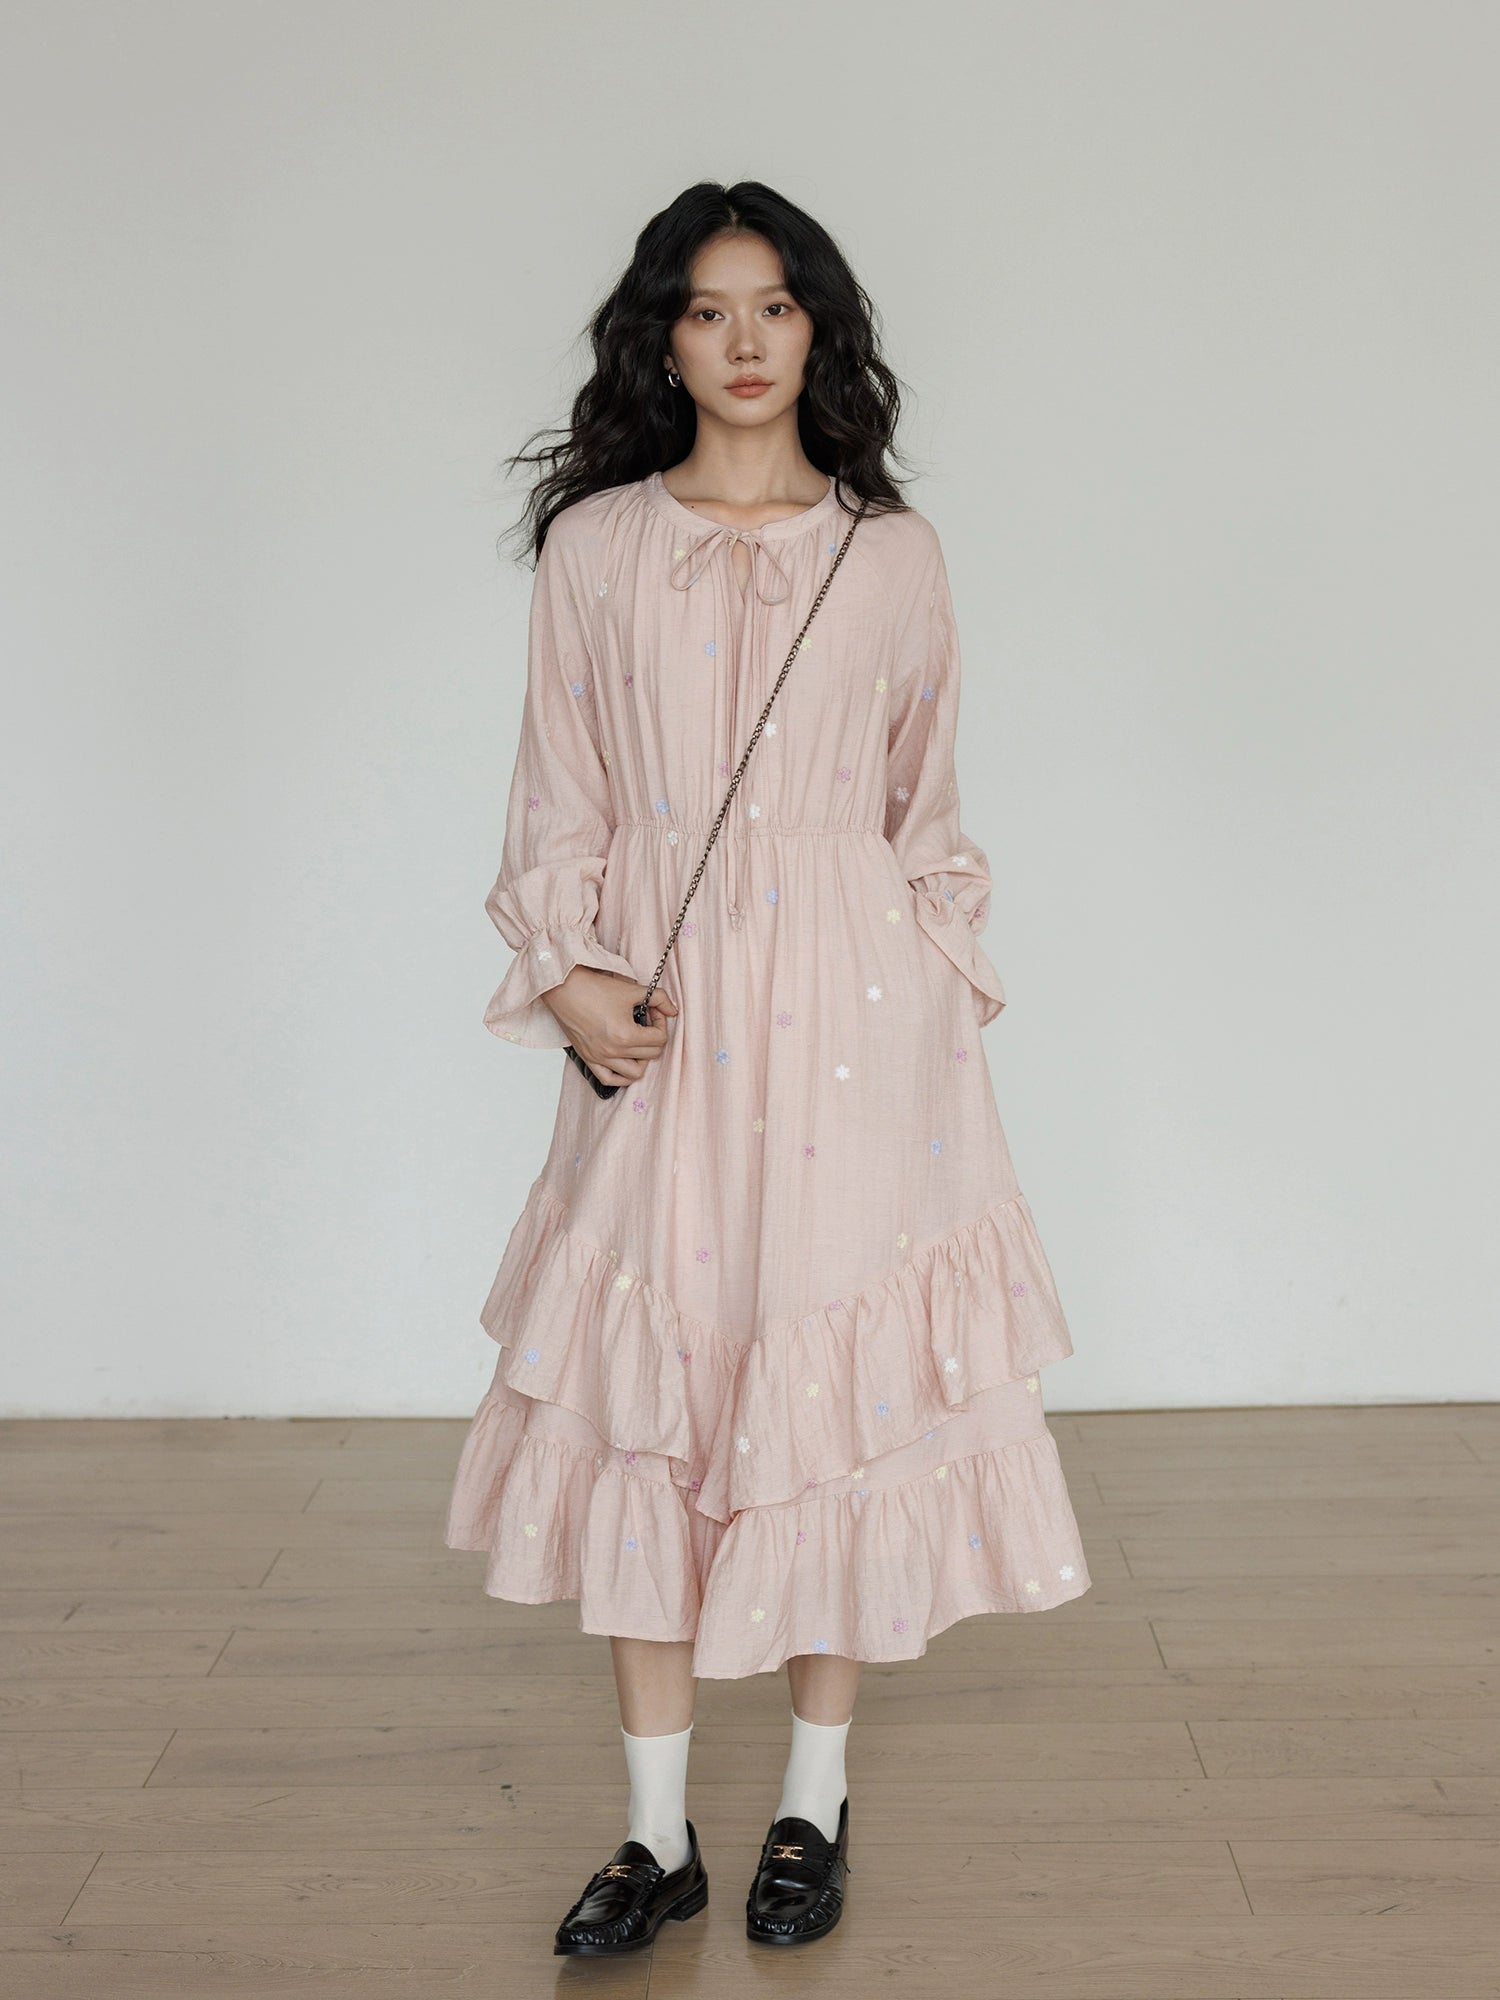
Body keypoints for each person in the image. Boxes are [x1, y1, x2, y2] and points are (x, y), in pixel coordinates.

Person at [444, 179, 1092, 1957]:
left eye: (776, 306)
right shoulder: (595, 548)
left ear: (821, 329)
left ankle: (814, 1799)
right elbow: (555, 790)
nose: (744, 342)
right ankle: (654, 1835)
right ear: (661, 337)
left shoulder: (894, 555)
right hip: (662, 1018)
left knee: (829, 1395)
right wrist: (567, 977)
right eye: (708, 309)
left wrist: (934, 1003)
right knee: (646, 1390)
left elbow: (924, 812)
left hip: (861, 1034)